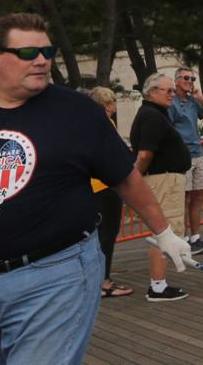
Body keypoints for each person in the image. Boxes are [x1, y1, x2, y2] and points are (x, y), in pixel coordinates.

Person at [0, 13, 194, 364]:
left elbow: (126, 178)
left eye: (48, 51)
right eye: (28, 53)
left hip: (51, 276)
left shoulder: (76, 111)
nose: (42, 61)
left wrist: (164, 233)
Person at [131, 72, 195, 301]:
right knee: (164, 231)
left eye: (172, 90)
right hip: (164, 180)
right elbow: (145, 153)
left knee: (166, 231)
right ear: (151, 92)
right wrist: (134, 181)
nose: (171, 95)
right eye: (166, 91)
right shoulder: (151, 116)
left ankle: (159, 284)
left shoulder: (157, 114)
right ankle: (157, 286)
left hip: (167, 178)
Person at [86, 86, 134, 299]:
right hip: (105, 187)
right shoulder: (105, 124)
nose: (114, 107)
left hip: (93, 187)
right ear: (107, 105)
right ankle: (103, 282)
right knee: (107, 235)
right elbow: (115, 155)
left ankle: (96, 280)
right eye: (112, 103)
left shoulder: (85, 124)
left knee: (97, 237)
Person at [170, 66, 203, 255]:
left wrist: (200, 98)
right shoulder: (171, 102)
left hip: (198, 153)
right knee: (185, 197)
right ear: (176, 80)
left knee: (198, 195)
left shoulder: (192, 101)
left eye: (192, 79)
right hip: (183, 155)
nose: (190, 81)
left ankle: (195, 238)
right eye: (186, 78)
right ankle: (182, 240)